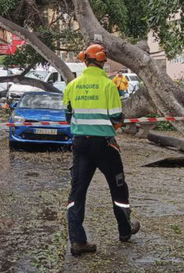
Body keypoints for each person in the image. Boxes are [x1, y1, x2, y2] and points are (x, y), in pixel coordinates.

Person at [64, 43, 140, 256]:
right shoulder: (108, 86)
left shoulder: (72, 85)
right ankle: (125, 231)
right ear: (102, 61)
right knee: (118, 189)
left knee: (77, 193)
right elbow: (116, 119)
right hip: (105, 145)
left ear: (84, 60)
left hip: (80, 144)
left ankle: (78, 241)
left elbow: (68, 117)